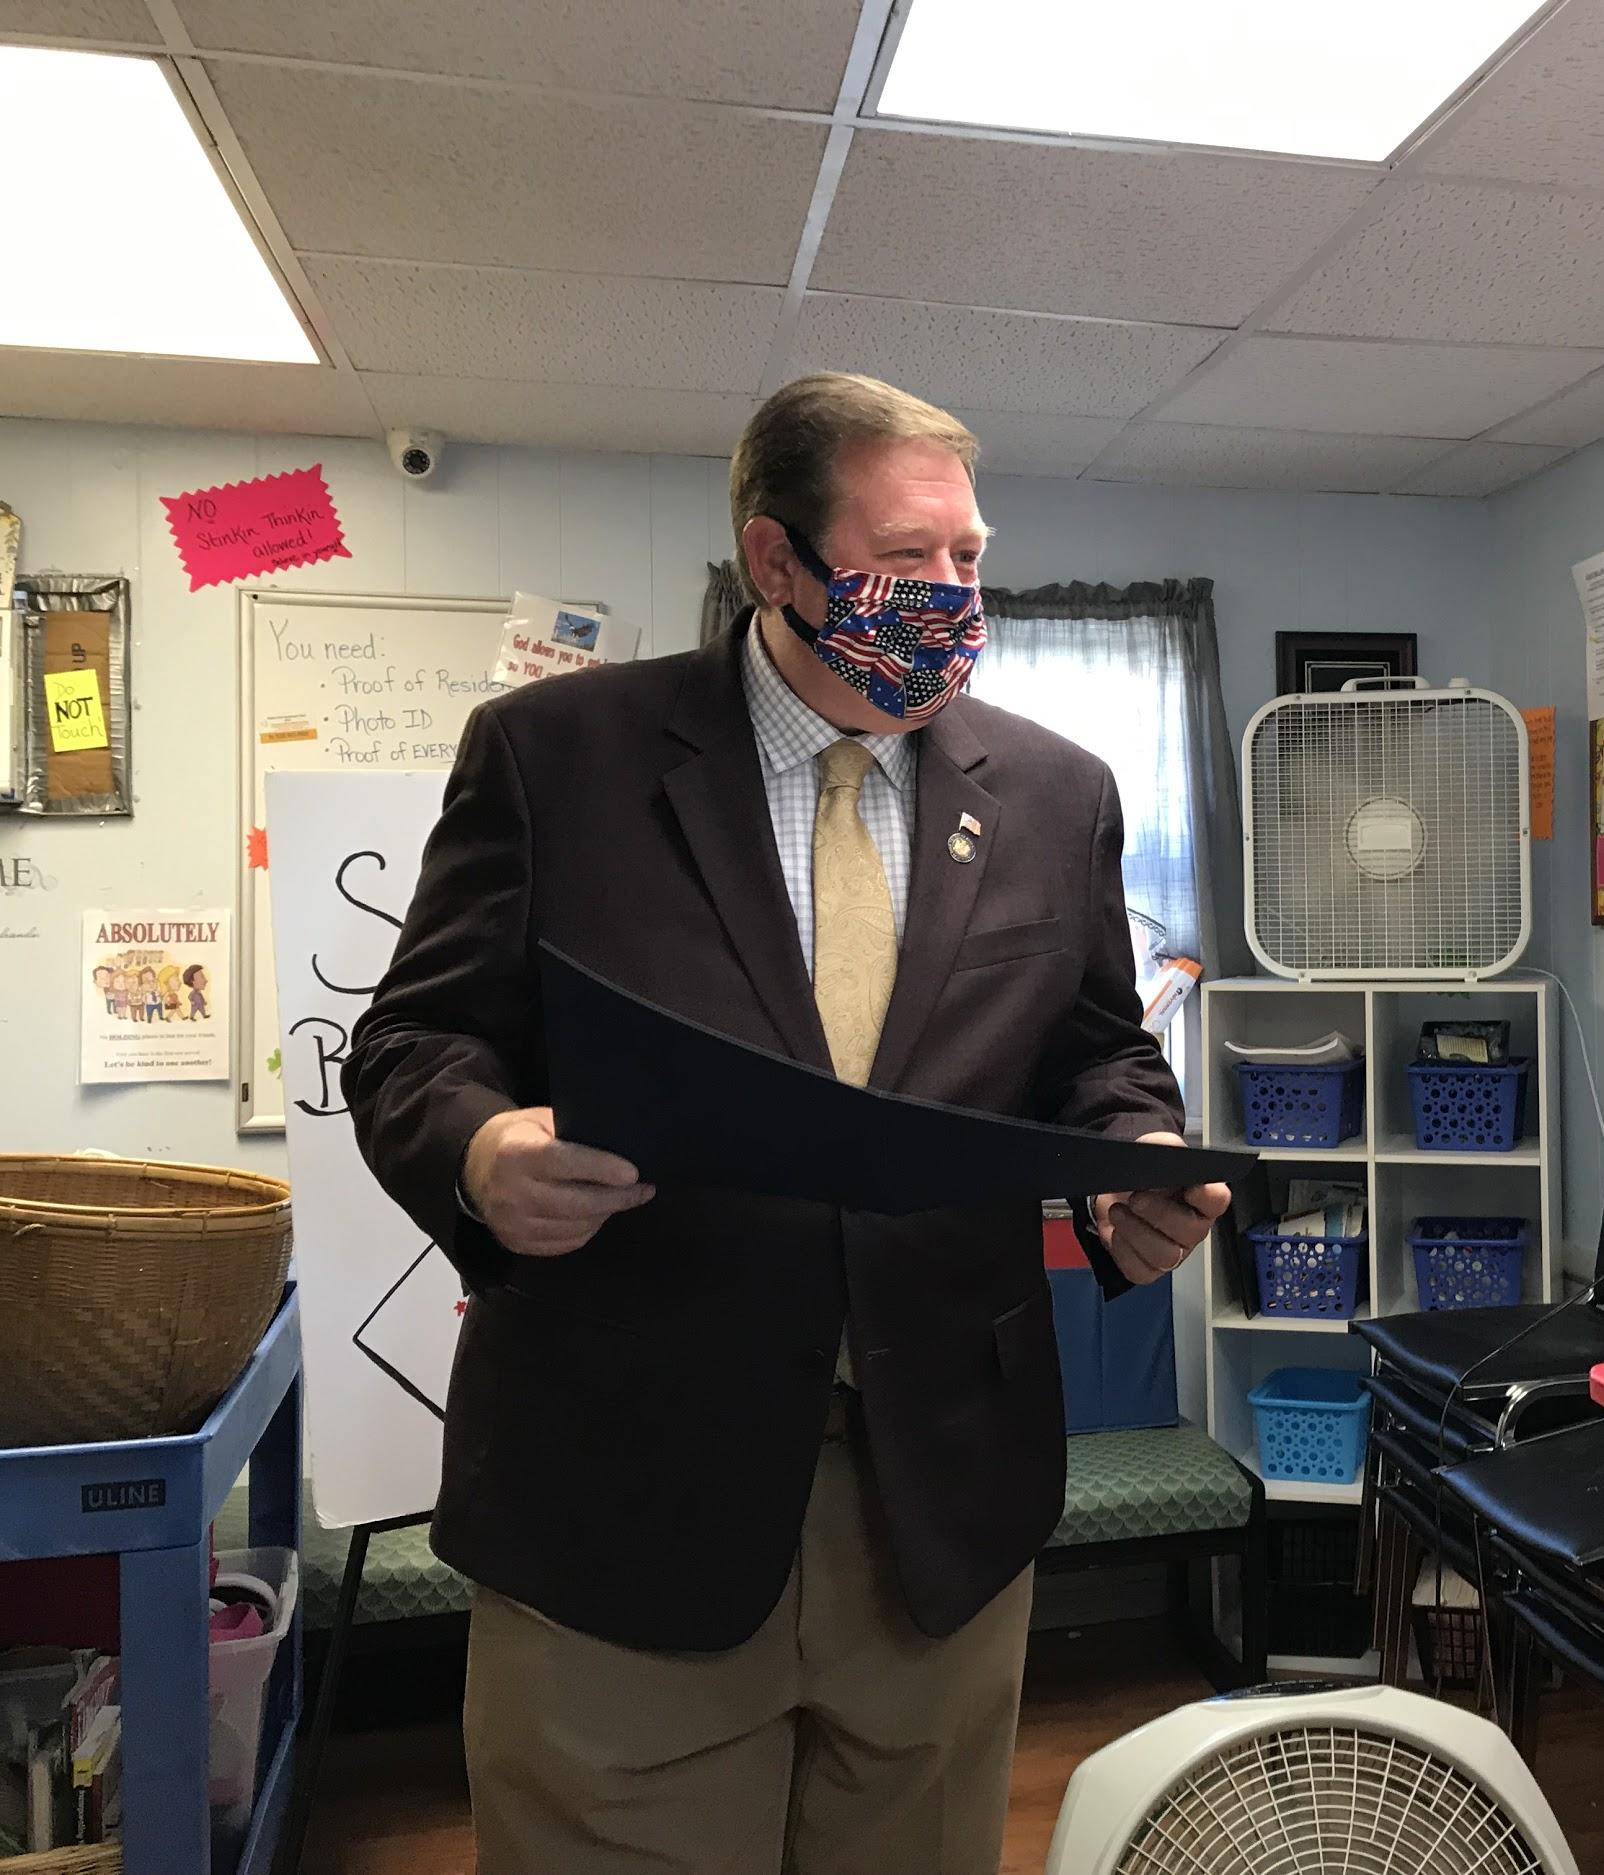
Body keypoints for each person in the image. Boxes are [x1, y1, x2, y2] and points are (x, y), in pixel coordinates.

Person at [346, 372, 1229, 1875]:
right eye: (908, 561)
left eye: (970, 557)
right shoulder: (558, 758)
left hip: (938, 1503)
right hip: (626, 1489)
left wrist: (1135, 1157)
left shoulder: (1052, 792)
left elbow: (1094, 1049)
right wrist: (484, 1154)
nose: (954, 597)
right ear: (775, 562)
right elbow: (413, 1042)